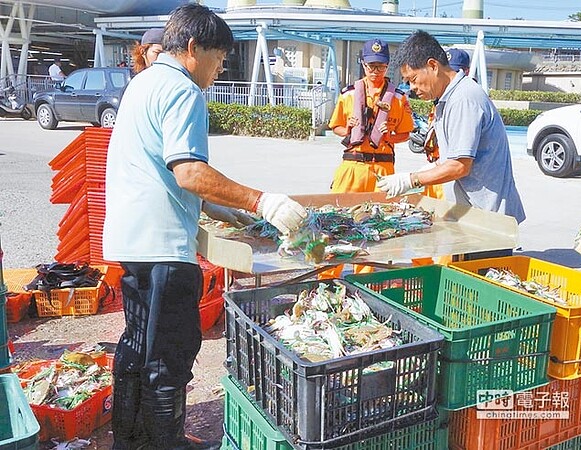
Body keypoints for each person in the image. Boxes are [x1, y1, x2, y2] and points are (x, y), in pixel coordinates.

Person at [102, 5, 306, 450]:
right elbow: (188, 171)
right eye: (218, 59)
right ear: (193, 49)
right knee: (169, 359)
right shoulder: (182, 89)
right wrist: (261, 200)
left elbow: (159, 164)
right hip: (163, 248)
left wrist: (218, 206)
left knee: (138, 348)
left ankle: (131, 441)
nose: (218, 70)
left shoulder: (144, 82)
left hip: (132, 240)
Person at [377, 31, 525, 257]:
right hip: (471, 217)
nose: (412, 89)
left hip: (488, 222)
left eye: (414, 80)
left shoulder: (464, 98)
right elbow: (453, 158)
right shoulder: (447, 99)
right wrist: (431, 168)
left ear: (433, 65)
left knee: (482, 286)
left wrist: (411, 179)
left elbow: (459, 166)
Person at [323, 38, 414, 277]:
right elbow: (336, 127)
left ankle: (366, 279)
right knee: (337, 223)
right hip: (352, 167)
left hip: (382, 171)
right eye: (371, 66)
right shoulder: (349, 95)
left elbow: (405, 132)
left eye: (381, 67)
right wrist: (349, 127)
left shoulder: (398, 98)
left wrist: (390, 136)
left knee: (377, 226)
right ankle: (328, 278)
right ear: (363, 64)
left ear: (387, 67)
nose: (376, 72)